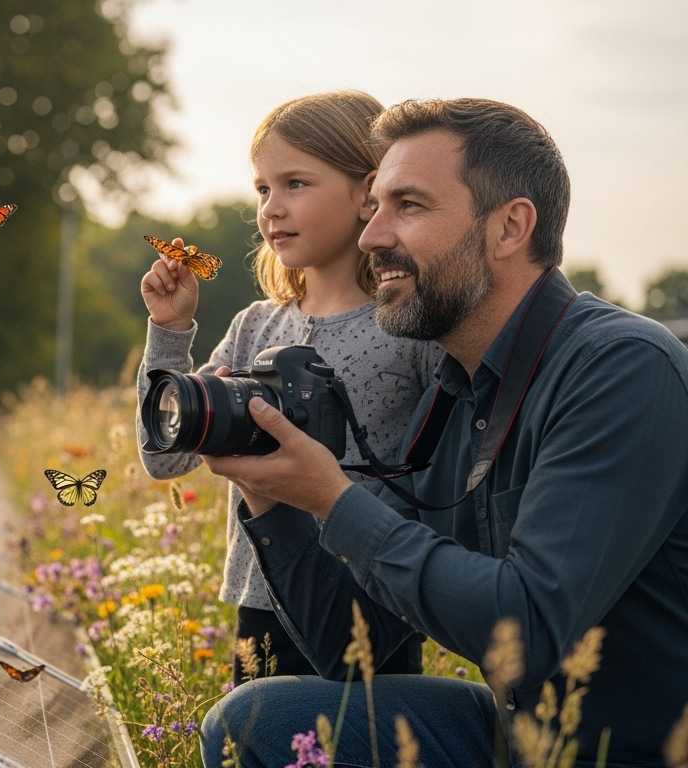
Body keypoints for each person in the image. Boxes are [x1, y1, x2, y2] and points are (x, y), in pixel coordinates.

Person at [201, 98, 688, 767]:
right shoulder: (455, 390)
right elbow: (348, 649)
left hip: (620, 752)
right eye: (373, 206)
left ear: (510, 227)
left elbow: (523, 630)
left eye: (409, 206)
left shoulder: (620, 368)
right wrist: (268, 486)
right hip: (514, 742)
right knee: (254, 720)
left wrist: (335, 501)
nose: (371, 236)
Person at [135, 91, 442, 684]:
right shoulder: (256, 324)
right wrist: (170, 335)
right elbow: (164, 457)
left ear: (367, 192)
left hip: (367, 607)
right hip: (261, 599)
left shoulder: (410, 328)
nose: (271, 209)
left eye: (296, 183)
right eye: (262, 189)